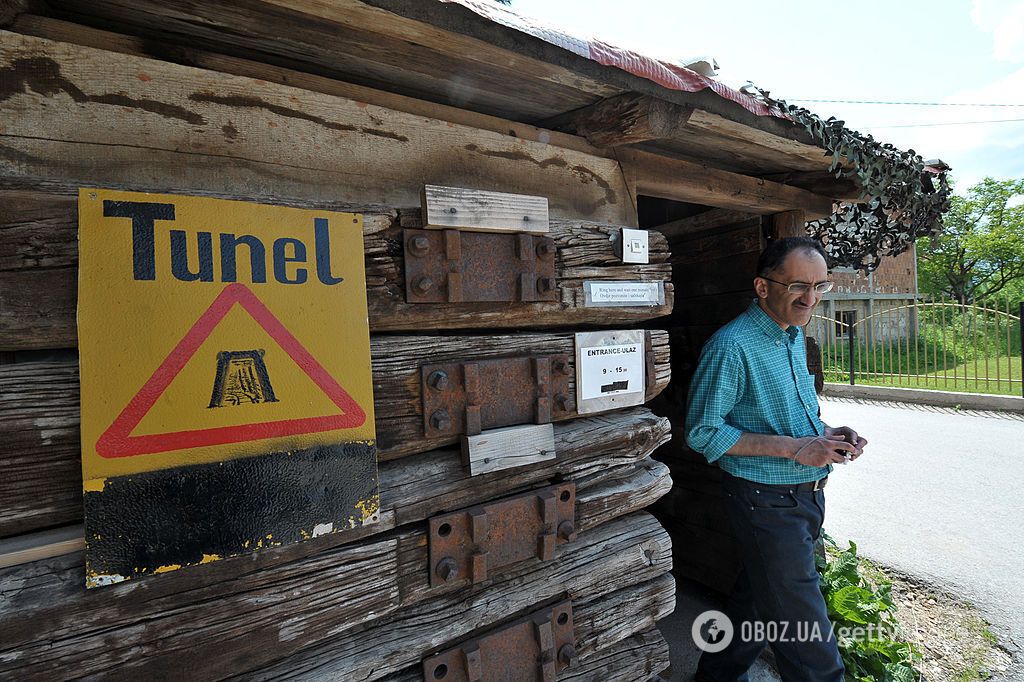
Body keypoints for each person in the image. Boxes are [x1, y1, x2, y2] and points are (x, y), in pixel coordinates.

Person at [685, 236, 868, 682]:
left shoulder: (791, 337)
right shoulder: (731, 346)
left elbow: (787, 416)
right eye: (797, 287)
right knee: (809, 642)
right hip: (765, 503)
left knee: (756, 601)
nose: (810, 298)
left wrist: (827, 435)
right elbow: (702, 432)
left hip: (802, 500)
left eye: (820, 286)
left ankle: (716, 676)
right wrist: (795, 448)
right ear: (763, 287)